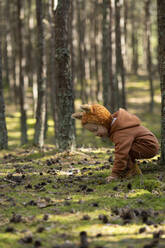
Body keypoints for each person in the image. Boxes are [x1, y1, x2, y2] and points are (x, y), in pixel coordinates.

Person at [71, 103, 159, 182]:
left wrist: (115, 174)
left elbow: (121, 154)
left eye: (96, 129)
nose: (96, 134)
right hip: (144, 145)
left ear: (103, 122)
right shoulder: (117, 126)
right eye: (93, 132)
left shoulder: (121, 131)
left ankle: (126, 172)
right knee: (124, 150)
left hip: (148, 147)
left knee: (123, 151)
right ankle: (131, 171)